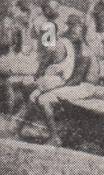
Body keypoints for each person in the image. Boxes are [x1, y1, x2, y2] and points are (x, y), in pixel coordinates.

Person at [23, 17, 97, 146]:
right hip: (77, 85)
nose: (70, 30)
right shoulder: (75, 46)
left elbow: (76, 79)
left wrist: (53, 88)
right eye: (70, 27)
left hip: (85, 87)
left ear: (82, 30)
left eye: (75, 28)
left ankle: (55, 137)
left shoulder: (84, 51)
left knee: (43, 99)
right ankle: (47, 131)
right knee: (36, 95)